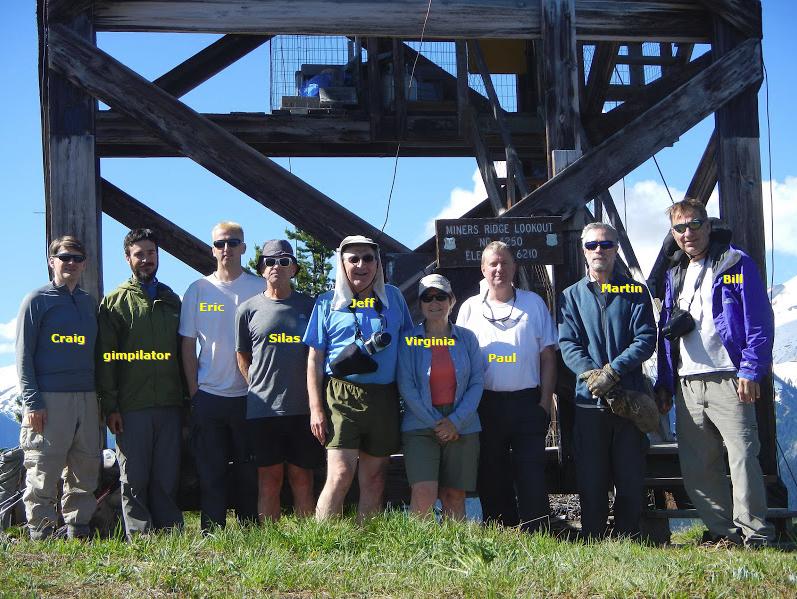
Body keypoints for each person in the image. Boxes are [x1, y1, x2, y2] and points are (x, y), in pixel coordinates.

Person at [655, 199, 775, 547]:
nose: (688, 233)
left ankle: (756, 536)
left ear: (708, 226)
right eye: (680, 228)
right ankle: (723, 533)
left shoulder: (737, 263)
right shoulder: (674, 272)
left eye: (695, 224)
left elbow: (758, 322)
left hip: (730, 376)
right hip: (688, 381)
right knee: (698, 464)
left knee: (742, 458)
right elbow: (667, 330)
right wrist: (665, 382)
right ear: (673, 234)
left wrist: (751, 370)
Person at [558, 223, 656, 539]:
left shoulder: (636, 292)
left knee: (629, 478)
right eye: (591, 245)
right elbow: (568, 344)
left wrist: (612, 373)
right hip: (589, 404)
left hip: (628, 401)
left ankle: (628, 537)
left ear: (615, 248)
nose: (598, 250)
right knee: (591, 479)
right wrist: (593, 376)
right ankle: (594, 539)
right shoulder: (570, 296)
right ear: (583, 250)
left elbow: (645, 338)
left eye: (605, 244)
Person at [304, 235, 413, 520]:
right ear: (342, 264)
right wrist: (316, 409)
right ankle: (323, 545)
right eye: (353, 259)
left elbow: (409, 346)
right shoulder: (327, 302)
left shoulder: (394, 298)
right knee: (340, 474)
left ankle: (367, 544)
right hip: (341, 395)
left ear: (378, 263)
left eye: (368, 258)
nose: (361, 265)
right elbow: (314, 359)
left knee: (375, 479)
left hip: (384, 396)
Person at [455, 241, 558, 532]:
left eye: (504, 263)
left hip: (528, 402)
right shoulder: (469, 309)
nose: (499, 269)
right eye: (493, 264)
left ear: (514, 267)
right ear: (483, 269)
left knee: (532, 473)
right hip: (485, 403)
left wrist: (544, 402)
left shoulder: (533, 303)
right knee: (491, 473)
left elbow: (548, 357)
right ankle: (500, 533)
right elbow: (460, 360)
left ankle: (538, 533)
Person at [97, 228, 185, 537]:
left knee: (166, 476)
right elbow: (106, 359)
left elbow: (184, 352)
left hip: (171, 403)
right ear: (128, 258)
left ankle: (171, 534)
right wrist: (110, 406)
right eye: (139, 254)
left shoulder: (172, 299)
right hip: (132, 406)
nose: (146, 260)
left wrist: (186, 400)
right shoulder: (114, 303)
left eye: (151, 253)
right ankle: (141, 537)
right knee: (134, 477)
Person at [180, 222, 263, 530]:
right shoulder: (198, 290)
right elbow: (187, 345)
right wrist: (194, 393)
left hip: (249, 395)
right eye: (219, 243)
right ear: (212, 249)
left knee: (248, 471)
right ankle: (212, 532)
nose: (226, 248)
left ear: (243, 247)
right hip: (209, 395)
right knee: (210, 472)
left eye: (232, 242)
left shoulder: (258, 287)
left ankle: (250, 531)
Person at [16, 236, 100, 540]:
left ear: (84, 264)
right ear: (52, 261)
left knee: (85, 466)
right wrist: (32, 400)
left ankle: (78, 529)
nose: (72, 264)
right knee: (43, 467)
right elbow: (23, 355)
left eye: (78, 258)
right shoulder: (37, 300)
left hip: (87, 397)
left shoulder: (89, 302)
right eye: (65, 257)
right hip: (49, 399)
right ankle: (42, 531)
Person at [236, 240, 321, 521]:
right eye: (270, 262)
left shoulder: (311, 307)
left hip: (303, 409)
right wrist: (257, 385)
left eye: (284, 262)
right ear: (261, 269)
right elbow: (242, 355)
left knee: (302, 479)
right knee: (268, 480)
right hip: (263, 410)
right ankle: (270, 544)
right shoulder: (247, 310)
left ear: (294, 269)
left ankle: (309, 544)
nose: (277, 267)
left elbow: (319, 356)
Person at [397, 274, 483, 520]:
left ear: (452, 300)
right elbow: (407, 386)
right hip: (420, 425)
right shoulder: (408, 341)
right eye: (427, 298)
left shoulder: (468, 338)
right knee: (423, 493)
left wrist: (455, 421)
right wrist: (438, 423)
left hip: (463, 425)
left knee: (454, 495)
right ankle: (420, 553)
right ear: (420, 304)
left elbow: (477, 382)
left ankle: (454, 553)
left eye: (440, 296)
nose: (434, 303)